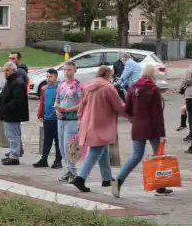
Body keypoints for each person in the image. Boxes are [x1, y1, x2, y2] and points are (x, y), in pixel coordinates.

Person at [116, 64, 171, 196]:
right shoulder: (154, 89)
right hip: (152, 127)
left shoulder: (133, 88)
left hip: (138, 126)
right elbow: (158, 113)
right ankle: (160, 187)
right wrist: (162, 134)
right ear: (152, 75)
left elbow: (126, 109)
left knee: (136, 156)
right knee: (158, 155)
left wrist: (133, 119)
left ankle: (118, 181)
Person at [71, 65, 127, 193]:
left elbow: (82, 105)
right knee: (96, 150)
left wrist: (80, 118)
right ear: (108, 75)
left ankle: (106, 178)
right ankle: (80, 178)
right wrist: (132, 116)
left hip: (88, 122)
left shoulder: (88, 86)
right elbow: (119, 105)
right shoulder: (108, 88)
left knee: (103, 149)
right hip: (102, 123)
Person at [55, 61, 84, 182]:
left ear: (74, 70)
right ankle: (68, 169)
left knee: (70, 146)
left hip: (72, 119)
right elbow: (57, 100)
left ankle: (72, 170)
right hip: (61, 119)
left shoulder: (78, 86)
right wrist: (57, 109)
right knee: (61, 146)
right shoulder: (61, 85)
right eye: (65, 70)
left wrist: (68, 109)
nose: (66, 72)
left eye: (69, 70)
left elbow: (82, 103)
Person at [0, 61, 29, 165]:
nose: (5, 72)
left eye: (7, 70)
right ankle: (13, 152)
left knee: (13, 135)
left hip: (12, 113)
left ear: (13, 70)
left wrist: (6, 107)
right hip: (9, 113)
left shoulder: (17, 82)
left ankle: (14, 155)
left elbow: (17, 99)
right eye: (4, 70)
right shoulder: (11, 80)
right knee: (12, 134)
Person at [34, 68, 62, 169]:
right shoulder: (44, 89)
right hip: (47, 118)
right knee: (47, 140)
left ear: (56, 77)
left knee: (58, 140)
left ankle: (58, 160)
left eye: (50, 77)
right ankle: (44, 159)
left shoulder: (60, 88)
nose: (48, 79)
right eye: (47, 77)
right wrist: (40, 114)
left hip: (57, 118)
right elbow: (42, 102)